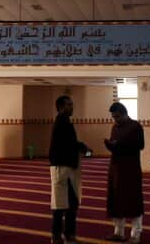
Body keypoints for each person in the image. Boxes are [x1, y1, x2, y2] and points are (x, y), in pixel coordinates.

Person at [49, 95, 89, 244]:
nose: (72, 107)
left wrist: (81, 146)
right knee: (60, 206)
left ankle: (69, 234)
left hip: (68, 168)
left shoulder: (65, 122)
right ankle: (57, 236)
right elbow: (67, 145)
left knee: (72, 204)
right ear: (60, 107)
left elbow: (70, 143)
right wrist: (81, 147)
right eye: (68, 105)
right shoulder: (61, 123)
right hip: (61, 168)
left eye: (72, 104)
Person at [104, 101, 144, 242]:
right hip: (116, 168)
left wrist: (120, 145)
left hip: (131, 169)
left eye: (117, 117)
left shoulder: (135, 126)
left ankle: (135, 234)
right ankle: (118, 232)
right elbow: (115, 144)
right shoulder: (115, 127)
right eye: (113, 117)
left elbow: (140, 145)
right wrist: (110, 145)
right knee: (116, 200)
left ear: (125, 114)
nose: (115, 120)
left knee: (133, 200)